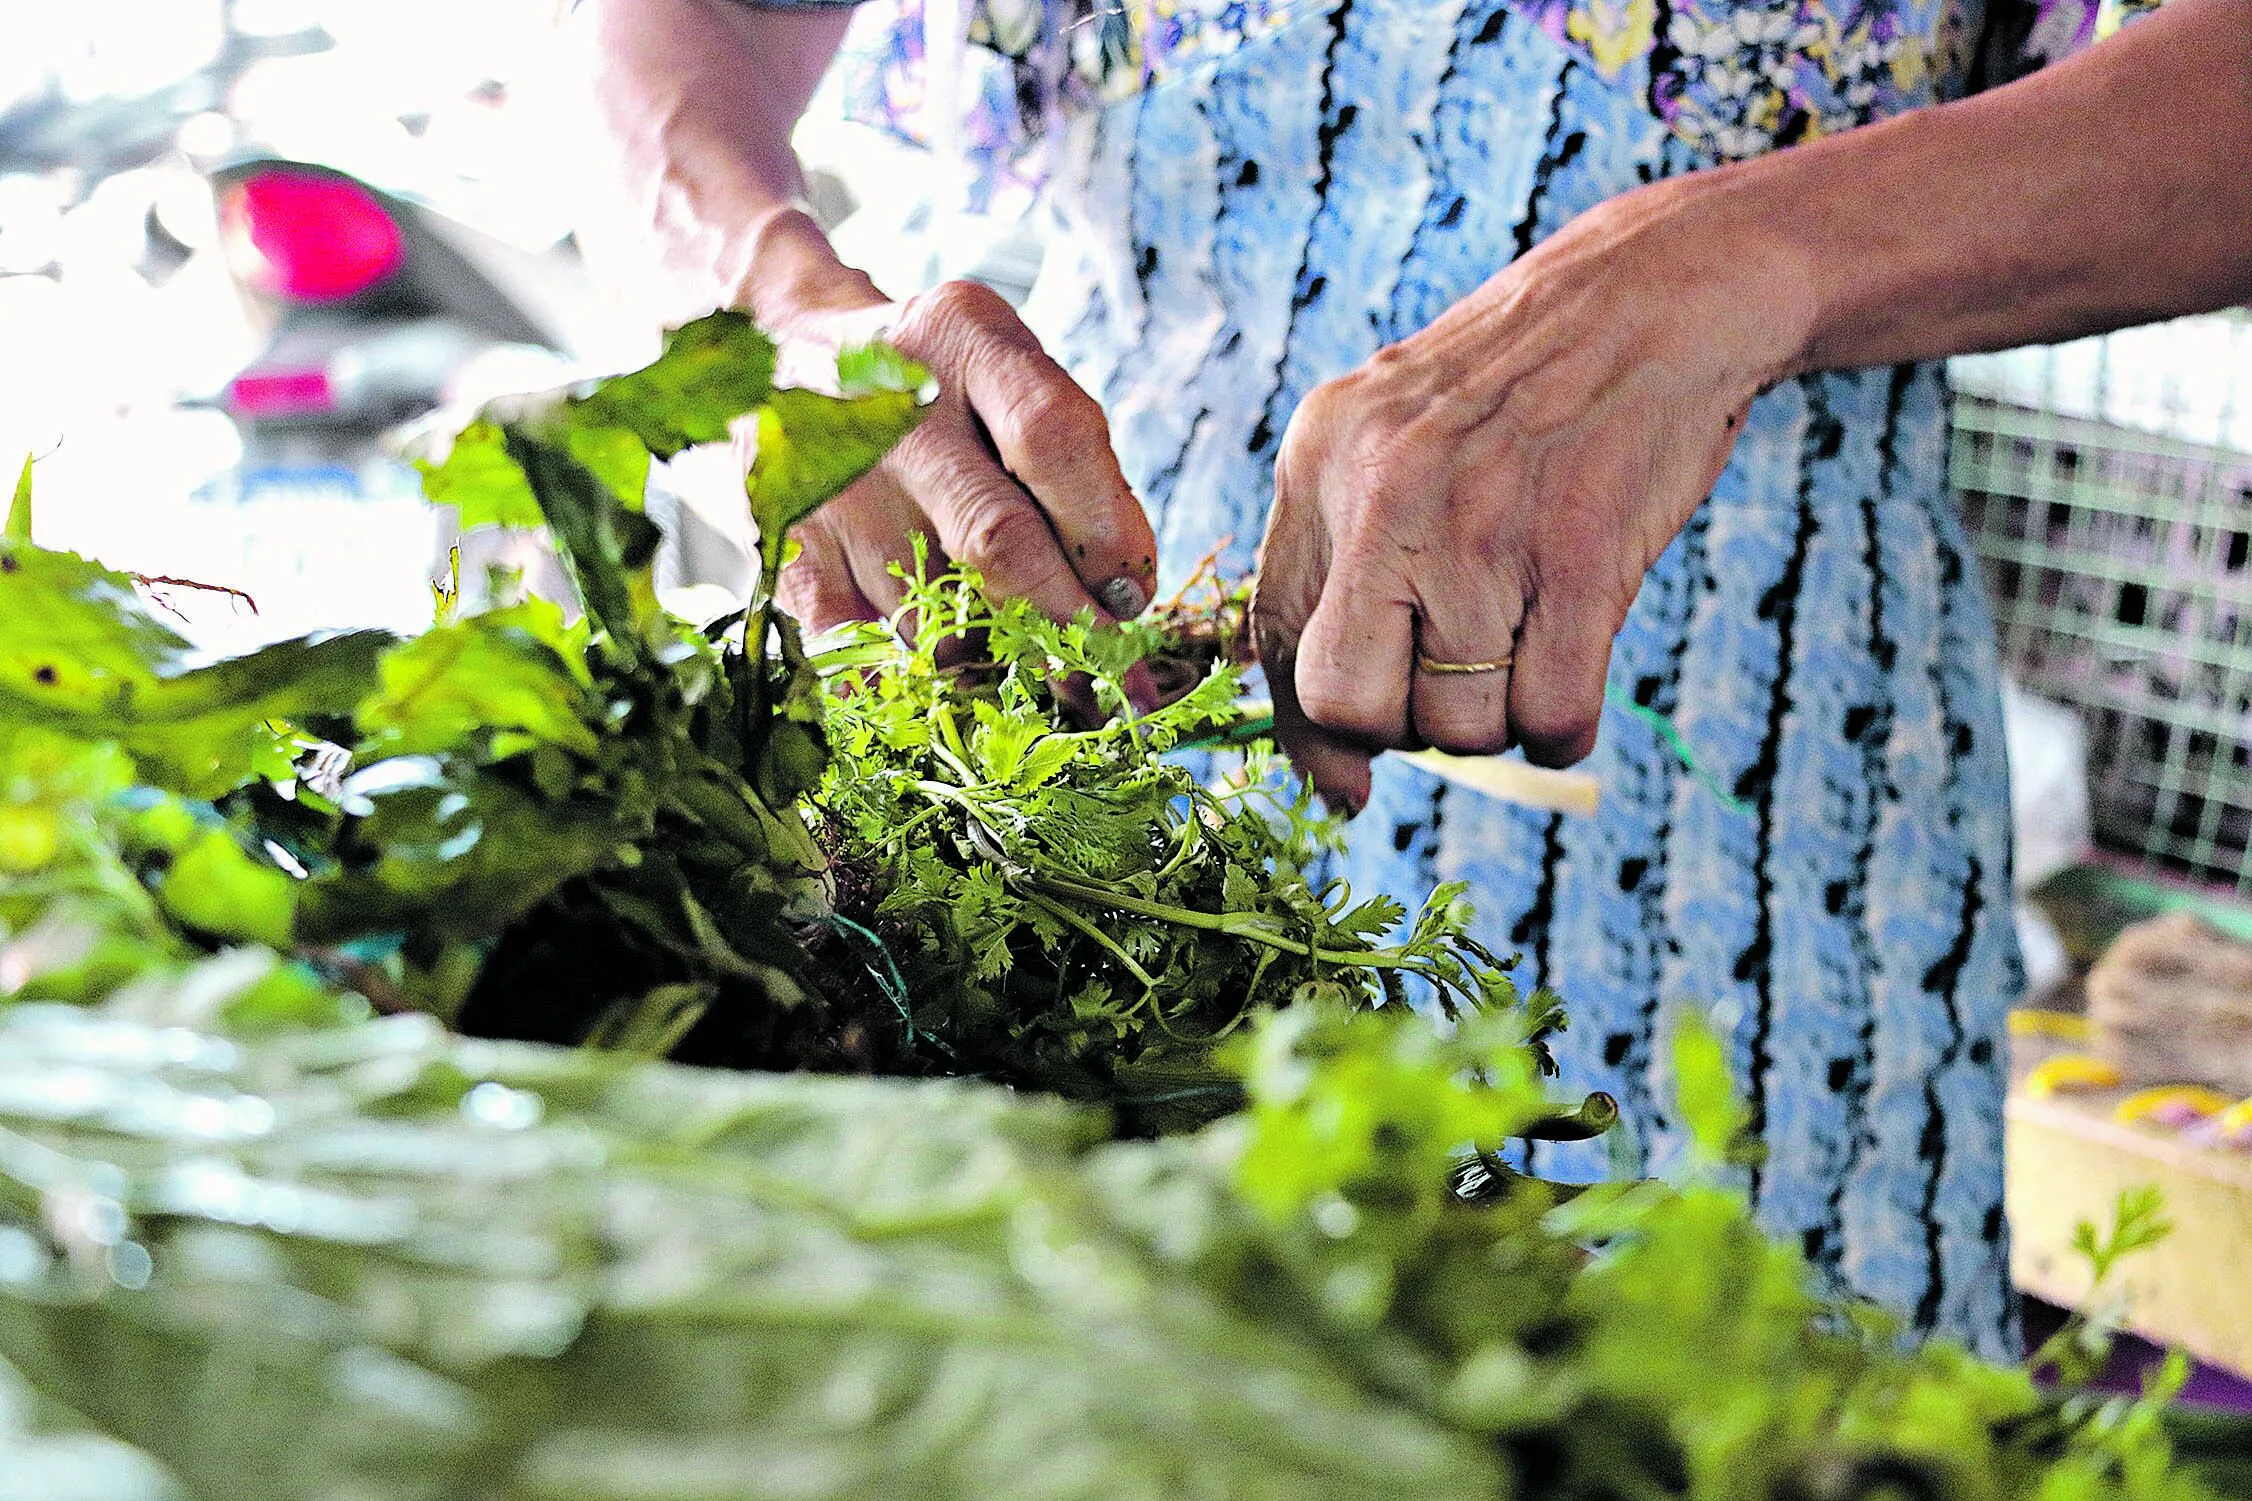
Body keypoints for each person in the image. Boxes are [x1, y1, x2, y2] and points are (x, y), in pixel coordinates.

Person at [570, 0, 2252, 1356]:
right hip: (1065, 779)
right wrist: (764, 313)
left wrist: (1723, 260)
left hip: (1743, 829)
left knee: (1719, 1410)